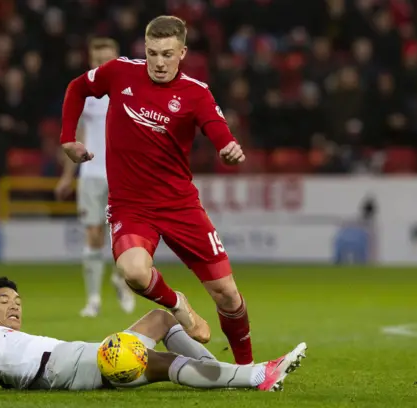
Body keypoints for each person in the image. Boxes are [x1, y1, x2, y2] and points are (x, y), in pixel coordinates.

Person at [59, 16, 253, 365]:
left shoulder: (196, 92)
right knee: (133, 271)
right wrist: (67, 139)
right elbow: (77, 88)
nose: (159, 63)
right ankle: (178, 305)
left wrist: (229, 148)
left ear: (182, 52)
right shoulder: (118, 72)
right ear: (143, 51)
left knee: (227, 294)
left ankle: (245, 367)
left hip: (180, 206)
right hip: (130, 207)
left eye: (167, 54)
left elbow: (217, 129)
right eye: (152, 54)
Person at [0, 277, 307, 394]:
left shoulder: (4, 342)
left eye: (17, 299)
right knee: (163, 365)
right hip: (73, 367)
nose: (15, 305)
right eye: (4, 300)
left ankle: (235, 372)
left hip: (83, 355)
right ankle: (254, 376)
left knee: (160, 321)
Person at [55, 38, 135, 318]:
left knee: (124, 236)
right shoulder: (84, 94)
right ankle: (93, 300)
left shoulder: (128, 91)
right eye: (97, 60)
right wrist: (68, 175)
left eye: (107, 60)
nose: (103, 65)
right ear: (90, 62)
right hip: (91, 174)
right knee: (93, 235)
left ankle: (121, 281)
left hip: (122, 175)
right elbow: (74, 137)